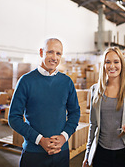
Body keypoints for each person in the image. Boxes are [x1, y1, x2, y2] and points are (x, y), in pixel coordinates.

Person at [8, 38, 80, 167]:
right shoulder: (26, 81)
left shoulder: (67, 82)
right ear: (41, 53)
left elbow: (75, 113)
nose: (54, 57)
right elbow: (14, 118)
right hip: (33, 154)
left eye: (58, 54)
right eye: (50, 52)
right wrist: (39, 140)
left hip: (61, 152)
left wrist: (64, 137)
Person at [82, 46, 125, 167]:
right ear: (103, 65)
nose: (112, 66)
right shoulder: (95, 90)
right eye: (108, 62)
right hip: (101, 153)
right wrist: (88, 153)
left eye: (116, 62)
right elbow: (93, 124)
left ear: (122, 64)